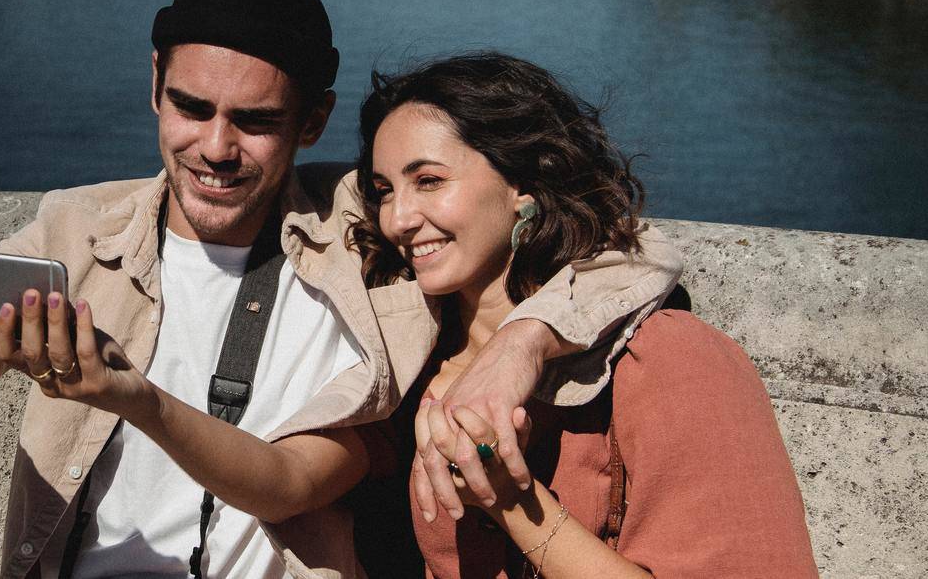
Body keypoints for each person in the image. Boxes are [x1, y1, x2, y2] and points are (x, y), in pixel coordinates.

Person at [0, 0, 682, 579]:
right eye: (191, 107)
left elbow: (632, 252)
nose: (214, 147)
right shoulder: (77, 230)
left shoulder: (371, 228)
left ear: (312, 121)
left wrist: (521, 344)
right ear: (154, 87)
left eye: (255, 121)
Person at [349, 52, 819, 578]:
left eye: (430, 180)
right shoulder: (404, 364)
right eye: (384, 190)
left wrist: (507, 496)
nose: (398, 219)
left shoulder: (668, 359)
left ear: (522, 184)